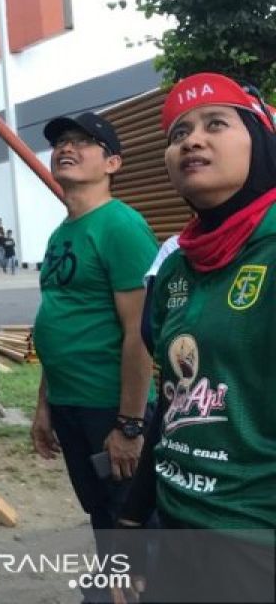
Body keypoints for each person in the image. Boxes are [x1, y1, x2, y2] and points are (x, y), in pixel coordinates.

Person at [117, 73, 276, 603]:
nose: (191, 140)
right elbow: (174, 403)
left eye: (216, 124)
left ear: (262, 137)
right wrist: (134, 520)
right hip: (179, 527)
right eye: (178, 132)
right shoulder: (176, 267)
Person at [29, 111, 157, 602]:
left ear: (113, 162)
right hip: (69, 402)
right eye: (62, 141)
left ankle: (132, 588)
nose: (67, 148)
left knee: (130, 513)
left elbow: (139, 332)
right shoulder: (63, 231)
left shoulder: (120, 226)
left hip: (110, 403)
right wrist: (45, 405)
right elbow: (57, 319)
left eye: (84, 142)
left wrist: (129, 424)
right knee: (100, 509)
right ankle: (110, 584)